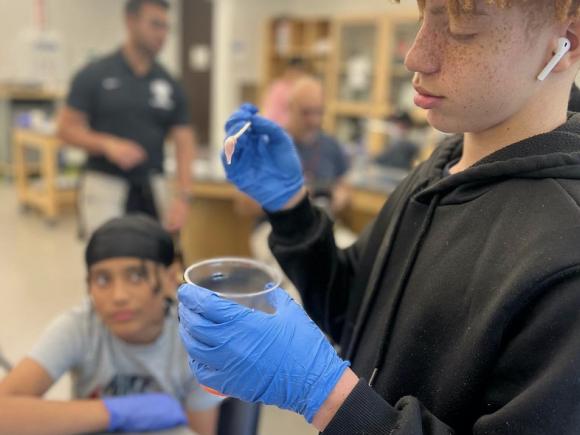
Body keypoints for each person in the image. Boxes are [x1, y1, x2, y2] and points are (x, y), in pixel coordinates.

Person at [177, 1, 580, 434]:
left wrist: (328, 395)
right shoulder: (443, 166)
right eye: (424, 16)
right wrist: (291, 207)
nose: (416, 55)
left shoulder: (565, 258)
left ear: (566, 43)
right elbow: (351, 304)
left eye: (462, 27)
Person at [0, 215, 221, 435]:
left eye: (136, 276)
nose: (118, 296)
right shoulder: (81, 327)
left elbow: (200, 431)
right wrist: (116, 412)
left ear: (170, 278)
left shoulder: (196, 344)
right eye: (103, 280)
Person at [57, 0, 196, 237]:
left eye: (166, 27)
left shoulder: (170, 83)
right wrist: (107, 144)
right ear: (130, 21)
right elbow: (66, 129)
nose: (162, 34)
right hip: (104, 183)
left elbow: (184, 140)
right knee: (110, 257)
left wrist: (183, 196)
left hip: (153, 185)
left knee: (157, 259)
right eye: (155, 25)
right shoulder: (94, 75)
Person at [261, 57, 307, 128]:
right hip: (278, 129)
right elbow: (269, 114)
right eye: (296, 72)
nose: (298, 76)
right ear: (288, 71)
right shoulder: (278, 88)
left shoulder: (301, 89)